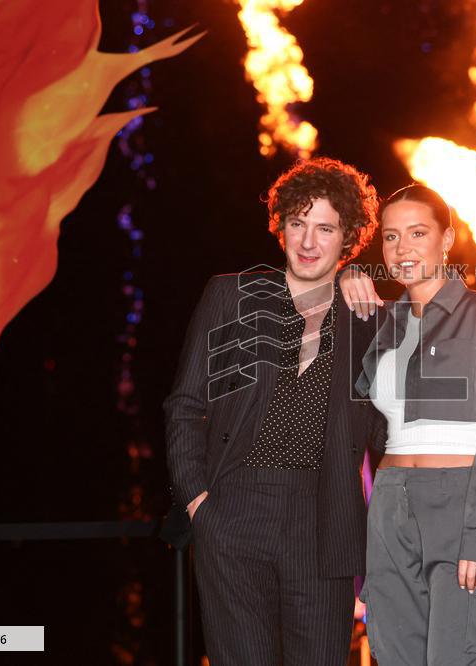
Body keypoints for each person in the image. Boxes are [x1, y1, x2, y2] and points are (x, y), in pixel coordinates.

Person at [164, 157, 384, 665]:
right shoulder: (230, 297)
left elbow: (386, 432)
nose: (307, 242)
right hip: (233, 515)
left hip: (323, 524)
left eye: (324, 228)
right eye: (297, 223)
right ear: (280, 224)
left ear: (347, 236)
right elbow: (185, 405)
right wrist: (200, 505)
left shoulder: (370, 319)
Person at [341, 184, 476, 664]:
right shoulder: (384, 323)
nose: (402, 249)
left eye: (417, 233)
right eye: (391, 237)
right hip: (390, 502)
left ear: (447, 239)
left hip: (460, 503)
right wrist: (345, 277)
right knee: (395, 650)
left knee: (465, 652)